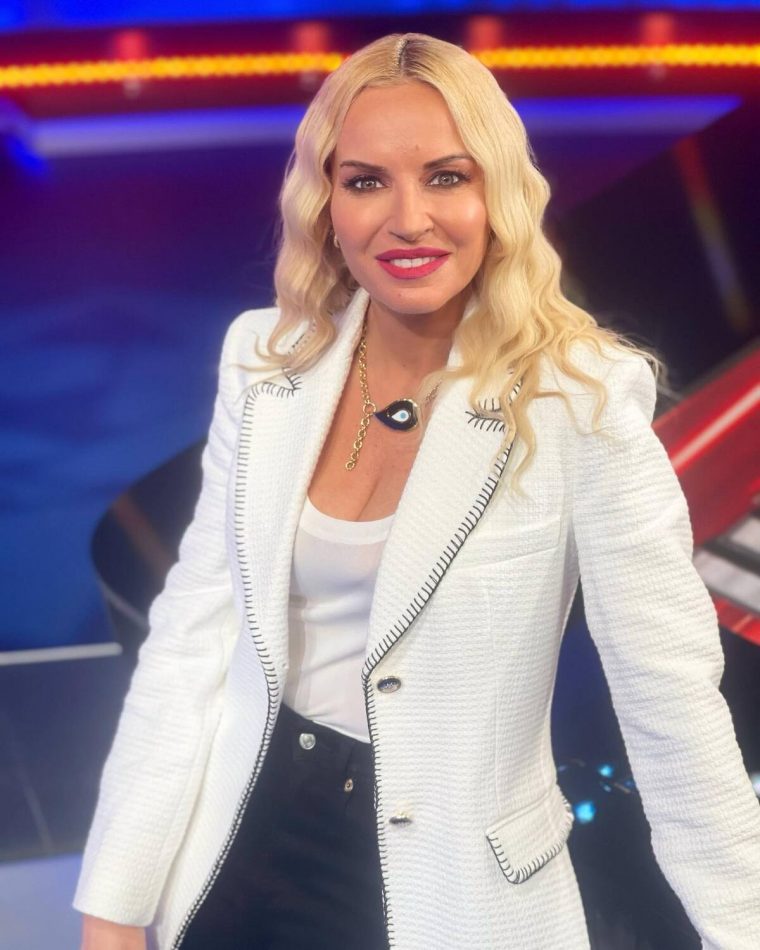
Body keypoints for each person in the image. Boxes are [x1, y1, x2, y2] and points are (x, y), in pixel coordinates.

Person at [75, 32, 760, 950]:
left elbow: (671, 704)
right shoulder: (264, 361)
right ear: (325, 203)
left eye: (446, 177)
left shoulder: (582, 400)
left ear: (497, 194)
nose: (409, 219)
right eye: (367, 182)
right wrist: (115, 901)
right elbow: (191, 641)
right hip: (237, 841)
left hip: (455, 888)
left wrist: (741, 932)